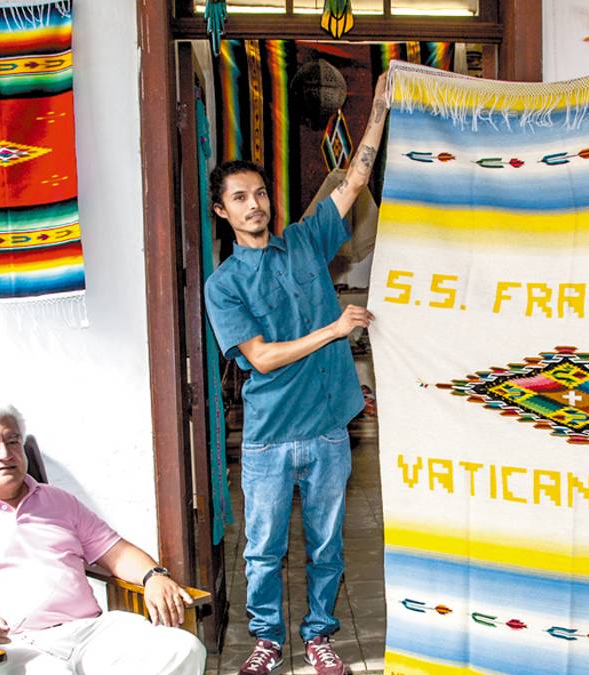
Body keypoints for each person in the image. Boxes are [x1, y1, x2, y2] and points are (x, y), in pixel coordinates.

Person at [203, 74, 389, 675]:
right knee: (263, 551)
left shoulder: (306, 243)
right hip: (269, 437)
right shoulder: (223, 285)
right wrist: (333, 330)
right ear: (222, 210)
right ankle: (266, 641)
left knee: (327, 546)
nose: (255, 205)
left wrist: (379, 111)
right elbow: (260, 357)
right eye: (240, 197)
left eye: (260, 193)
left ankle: (319, 636)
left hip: (329, 429)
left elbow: (354, 180)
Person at [0, 405, 206, 675]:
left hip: (89, 633)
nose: (5, 454)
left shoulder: (58, 501)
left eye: (13, 441)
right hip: (13, 645)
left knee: (183, 649)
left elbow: (116, 551)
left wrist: (154, 576)